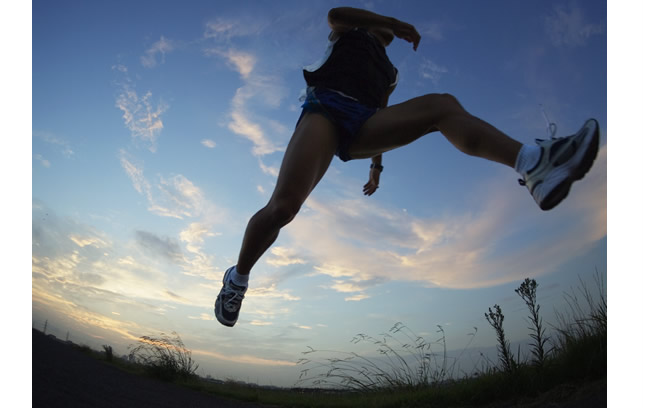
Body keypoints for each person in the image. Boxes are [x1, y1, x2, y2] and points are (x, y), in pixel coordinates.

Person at [214, 7, 600, 327]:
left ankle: (534, 164)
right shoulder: (347, 29)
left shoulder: (390, 73)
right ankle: (237, 279)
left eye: (390, 32)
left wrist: (375, 168)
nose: (387, 34)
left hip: (364, 121)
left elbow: (380, 112)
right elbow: (335, 13)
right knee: (283, 208)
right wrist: (394, 23)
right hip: (326, 109)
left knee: (442, 105)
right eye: (383, 28)